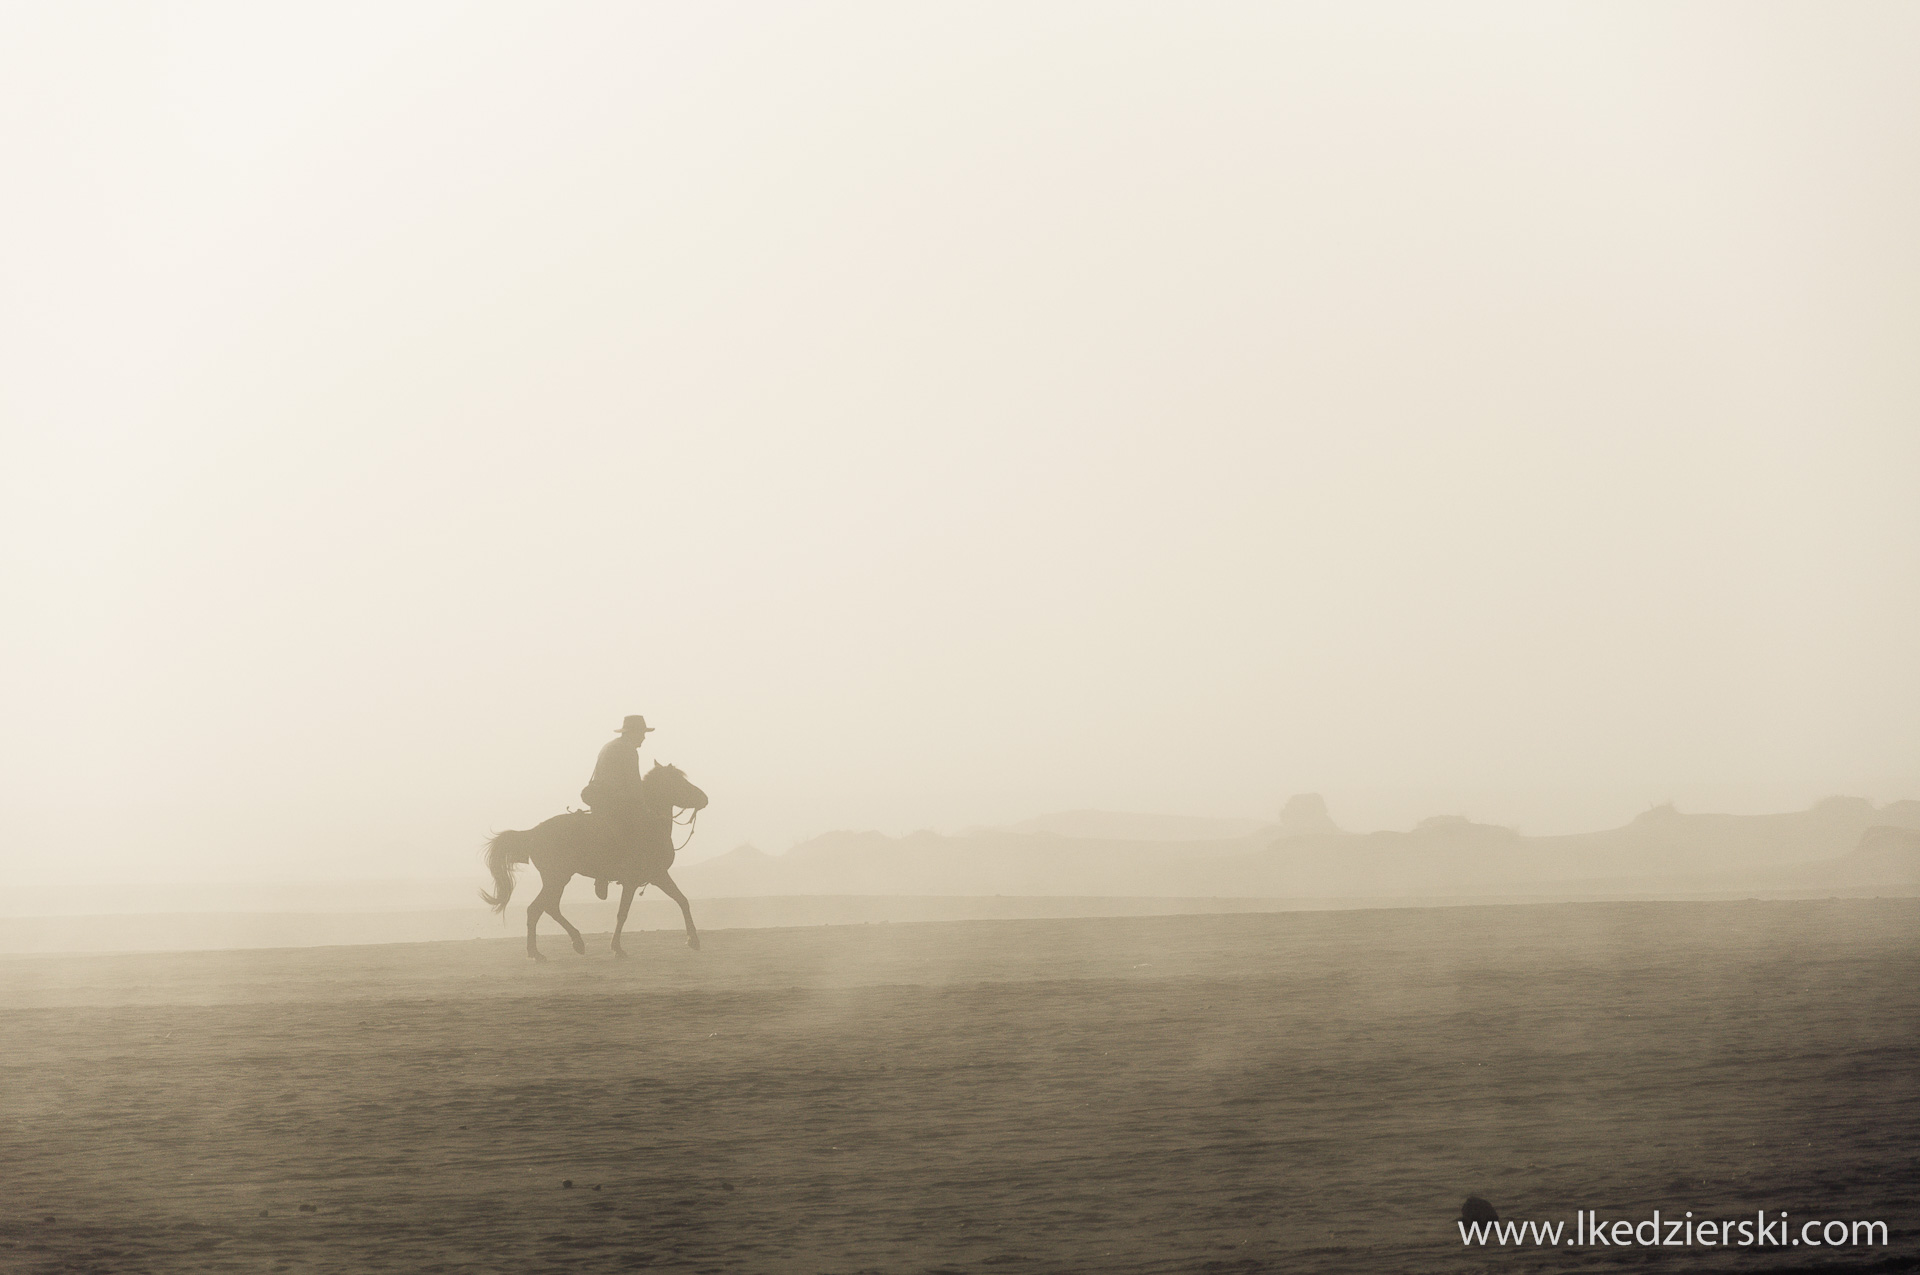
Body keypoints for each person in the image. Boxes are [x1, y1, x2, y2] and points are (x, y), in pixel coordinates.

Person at [583, 714, 654, 898]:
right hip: (614, 801)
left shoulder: (611, 745)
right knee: (640, 829)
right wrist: (644, 807)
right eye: (642, 733)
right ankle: (623, 872)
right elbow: (634, 783)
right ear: (634, 732)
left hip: (599, 799)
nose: (644, 737)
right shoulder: (628, 750)